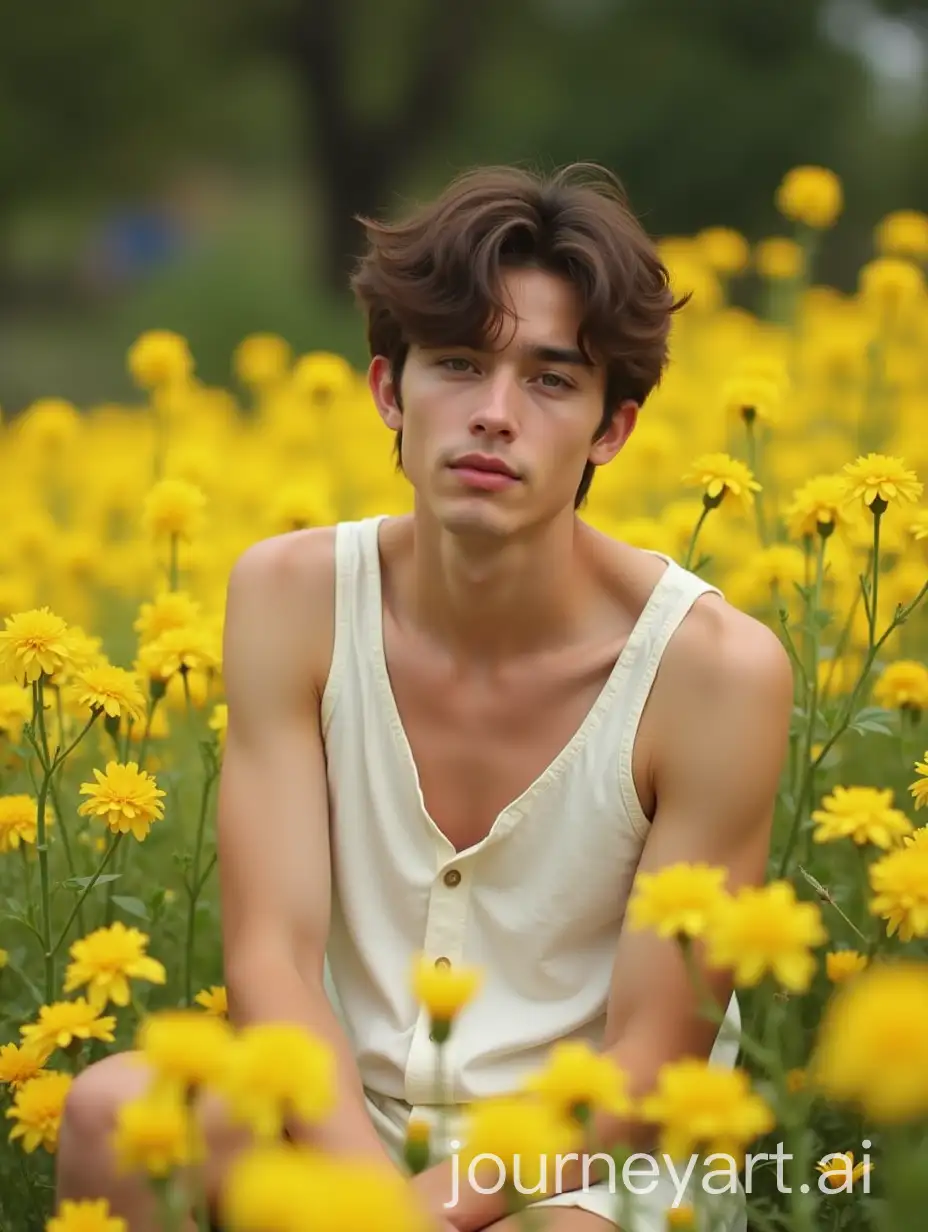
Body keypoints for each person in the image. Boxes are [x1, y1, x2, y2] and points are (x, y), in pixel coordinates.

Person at [54, 163, 794, 1231]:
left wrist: (436, 1208)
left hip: (578, 1161)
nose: (493, 415)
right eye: (457, 363)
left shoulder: (713, 668)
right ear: (389, 392)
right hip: (340, 1117)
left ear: (611, 430)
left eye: (549, 379)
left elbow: (648, 1056)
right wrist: (375, 1206)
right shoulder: (290, 596)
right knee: (114, 1108)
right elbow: (270, 955)